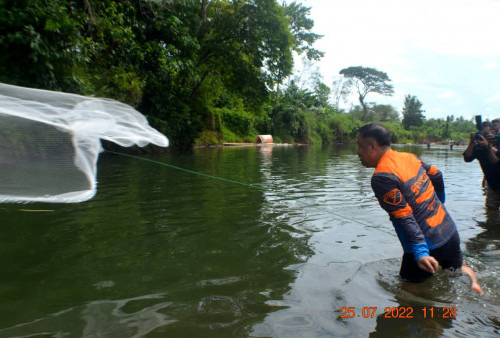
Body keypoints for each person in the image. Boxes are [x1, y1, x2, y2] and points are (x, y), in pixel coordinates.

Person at [356, 123, 483, 293]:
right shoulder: (408, 157)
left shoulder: (382, 177)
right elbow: (437, 174)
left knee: (407, 294)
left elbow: (405, 216)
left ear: (372, 146)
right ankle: (475, 285)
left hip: (427, 244)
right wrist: (438, 204)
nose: (357, 151)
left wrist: (420, 253)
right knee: (459, 270)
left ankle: (429, 319)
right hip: (449, 231)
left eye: (360, 146)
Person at [463, 121, 500, 210]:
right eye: (482, 134)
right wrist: (472, 142)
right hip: (492, 184)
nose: (484, 137)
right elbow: (467, 158)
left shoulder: (498, 143)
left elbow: (494, 161)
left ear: (492, 132)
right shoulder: (478, 147)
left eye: (486, 134)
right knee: (490, 211)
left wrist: (488, 147)